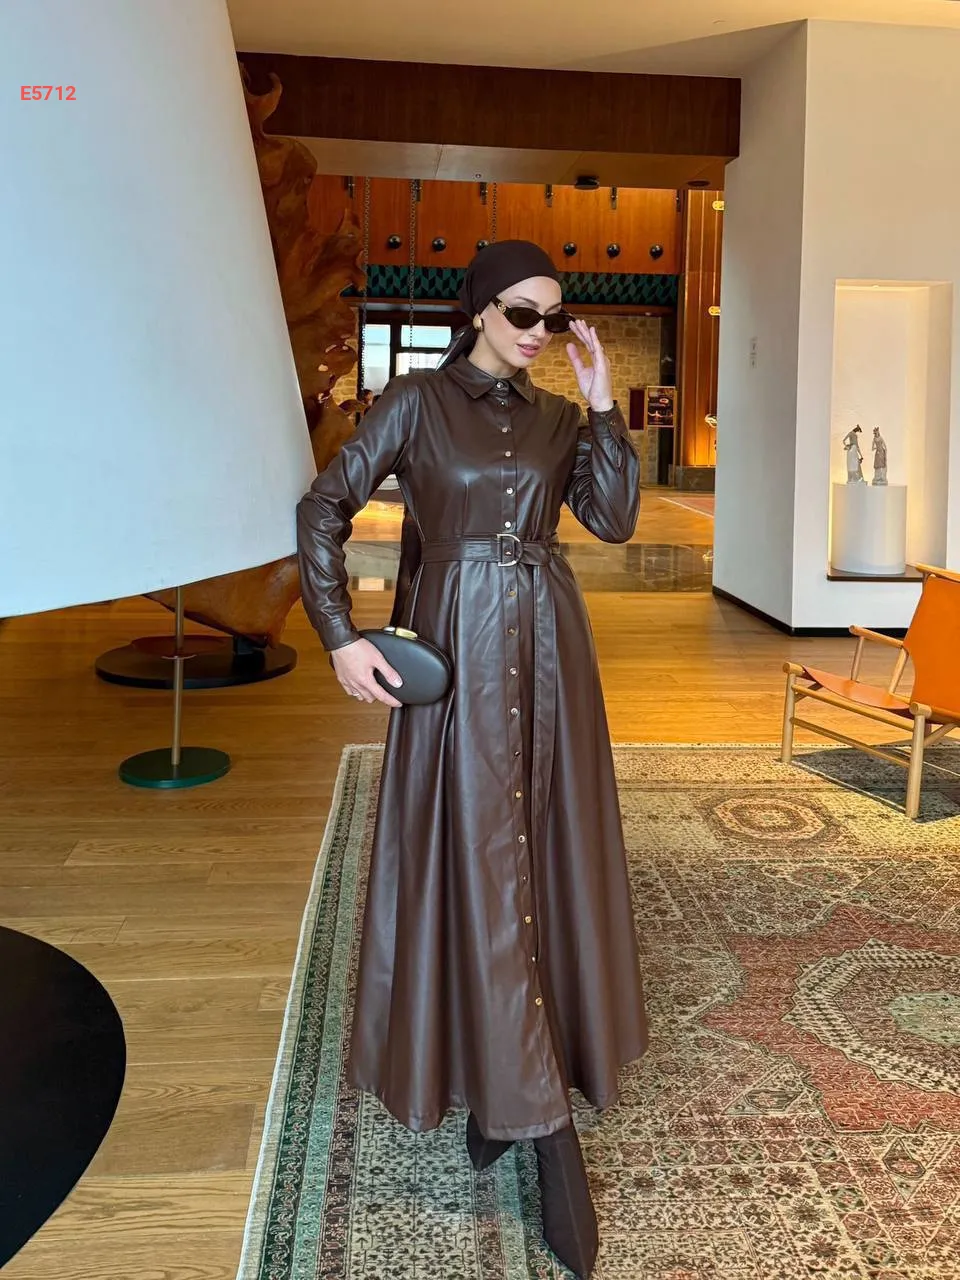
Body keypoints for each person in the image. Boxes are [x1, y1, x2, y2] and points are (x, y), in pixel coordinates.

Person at [296, 240, 647, 1280]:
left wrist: (604, 406)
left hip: (551, 643)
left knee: (543, 847)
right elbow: (323, 506)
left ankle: (511, 1088)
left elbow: (613, 519)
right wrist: (341, 635)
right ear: (480, 310)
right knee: (478, 857)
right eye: (522, 313)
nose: (539, 332)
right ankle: (537, 1120)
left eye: (553, 317)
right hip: (456, 648)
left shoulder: (559, 417)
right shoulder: (415, 402)